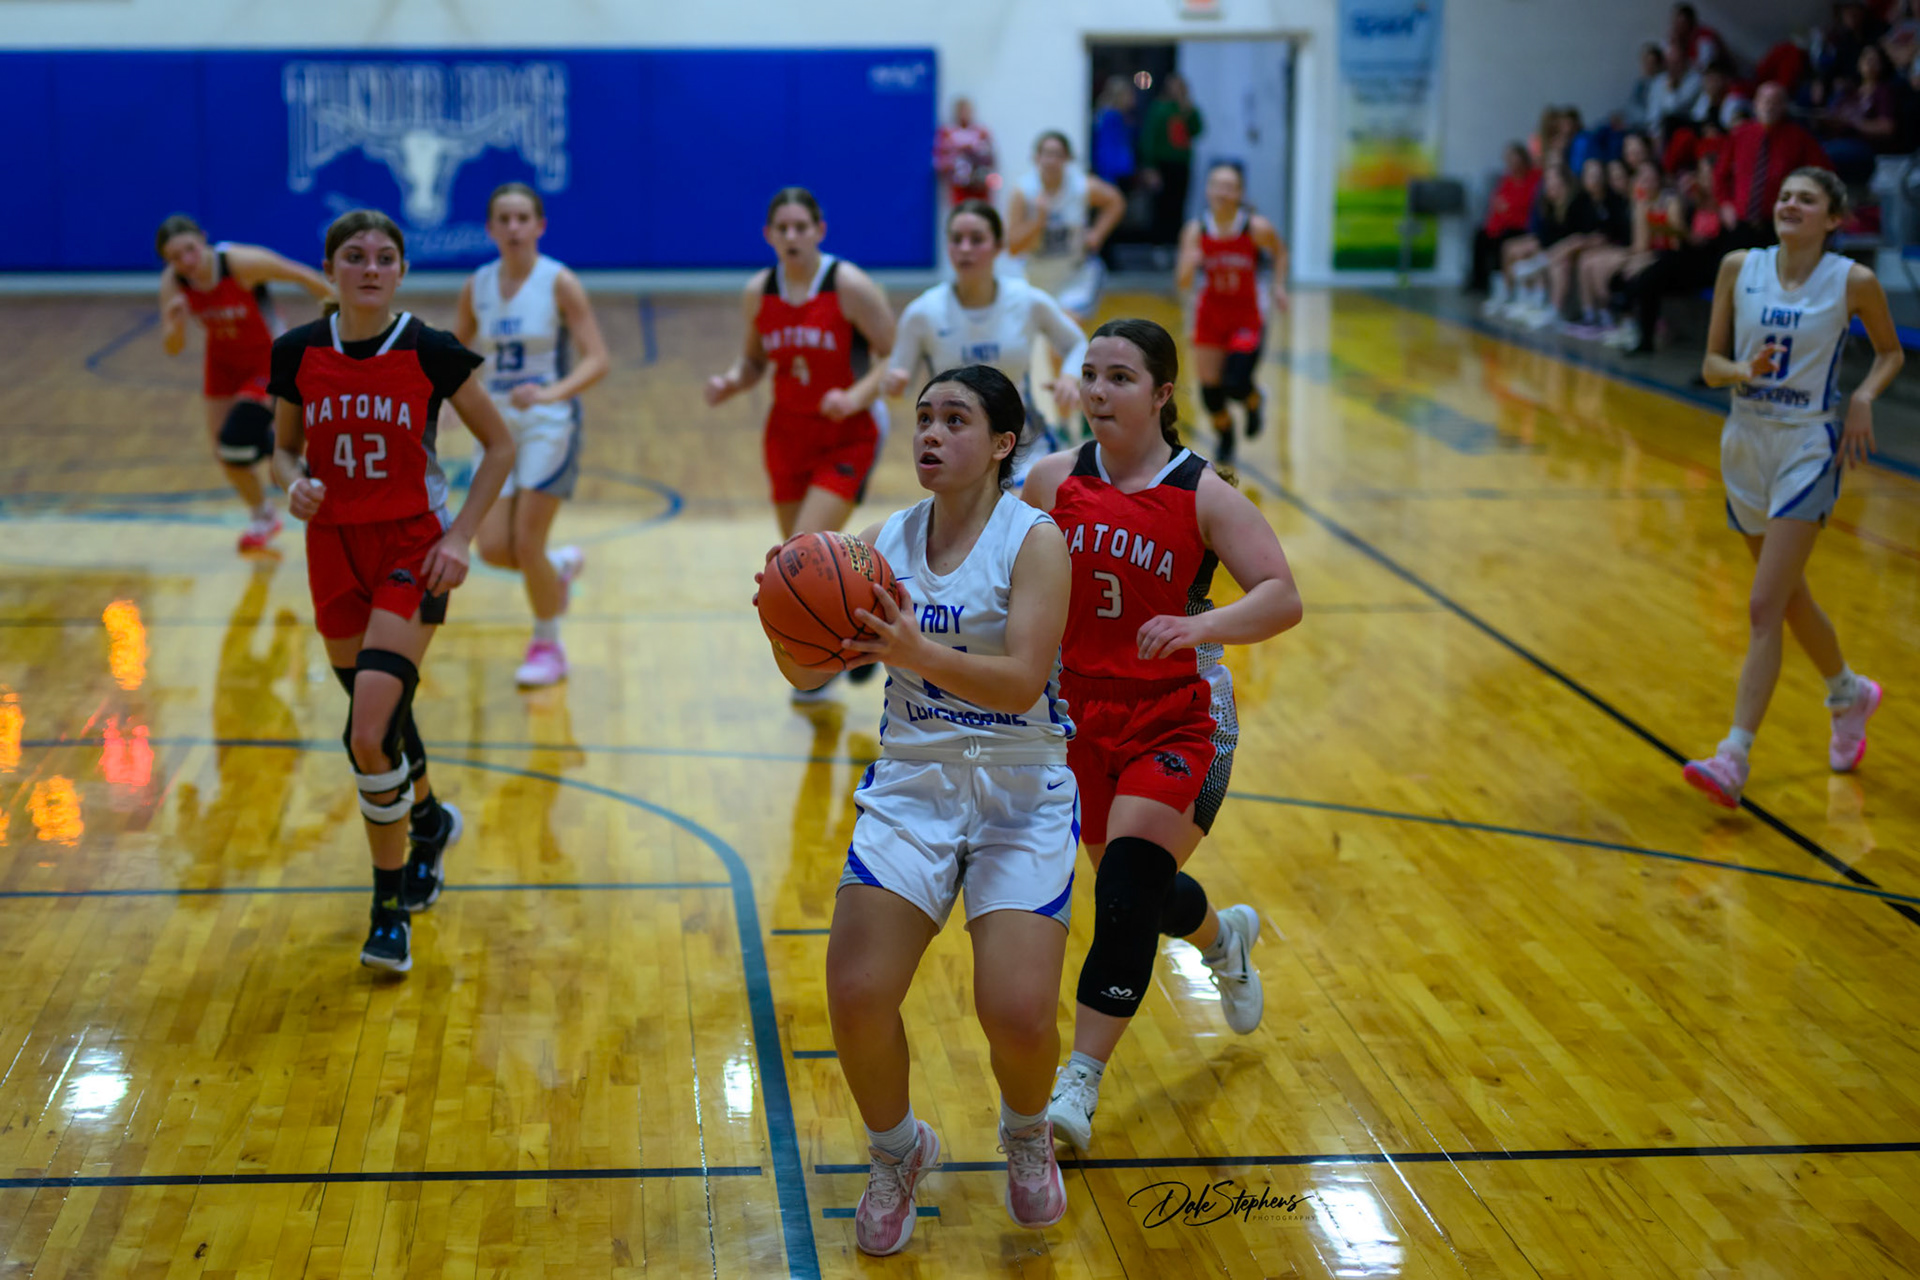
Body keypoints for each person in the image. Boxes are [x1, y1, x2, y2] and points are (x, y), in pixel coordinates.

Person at [759, 365, 1077, 1254]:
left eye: (955, 420)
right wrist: (785, 621)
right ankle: (898, 1151)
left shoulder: (1034, 540)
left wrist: (913, 650)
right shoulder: (878, 546)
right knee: (857, 993)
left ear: (1003, 443)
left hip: (1019, 787)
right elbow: (810, 671)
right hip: (914, 783)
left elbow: (1022, 684)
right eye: (924, 418)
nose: (931, 433)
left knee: (1016, 1012)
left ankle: (1025, 1131)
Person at [1022, 318, 1303, 1152]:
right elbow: (1000, 576)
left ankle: (1080, 1080)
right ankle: (1225, 937)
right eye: (1089, 375)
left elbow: (1281, 595)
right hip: (1081, 718)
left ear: (1162, 394)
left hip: (1178, 715)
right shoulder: (1050, 480)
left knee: (1126, 890)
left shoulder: (1202, 492)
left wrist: (1200, 625)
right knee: (1136, 893)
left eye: (1120, 377)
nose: (1098, 392)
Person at [267, 209, 516, 972]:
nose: (369, 268)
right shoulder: (298, 351)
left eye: (383, 257)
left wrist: (459, 536)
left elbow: (500, 445)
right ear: (330, 269)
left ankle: (388, 910)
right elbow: (282, 451)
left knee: (368, 731)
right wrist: (293, 483)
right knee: (383, 714)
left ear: (401, 271)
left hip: (412, 547)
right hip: (331, 548)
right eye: (354, 256)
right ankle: (430, 820)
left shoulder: (430, 350)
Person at [1681, 169, 1899, 807]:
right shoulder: (1738, 267)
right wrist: (1739, 369)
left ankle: (1733, 757)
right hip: (1745, 443)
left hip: (1808, 444)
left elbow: (1890, 352)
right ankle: (1848, 693)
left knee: (1761, 607)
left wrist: (1863, 397)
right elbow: (1709, 366)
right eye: (1784, 196)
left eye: (1807, 198)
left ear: (1833, 219)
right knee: (1789, 599)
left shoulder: (1852, 281)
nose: (1790, 204)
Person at [706, 188, 895, 699]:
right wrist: (731, 381)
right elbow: (753, 361)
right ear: (768, 235)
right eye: (782, 229)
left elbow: (893, 354)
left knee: (804, 554)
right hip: (786, 435)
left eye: (801, 227)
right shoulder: (759, 291)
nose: (791, 236)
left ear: (819, 231)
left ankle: (820, 669)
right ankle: (860, 639)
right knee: (804, 562)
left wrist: (854, 397)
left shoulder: (847, 285)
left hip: (847, 435)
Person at [455, 183, 610, 688]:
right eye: (504, 218)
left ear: (540, 225)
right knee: (493, 549)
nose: (514, 227)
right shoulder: (477, 285)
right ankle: (558, 567)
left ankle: (549, 644)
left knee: (526, 542)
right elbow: (454, 355)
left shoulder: (559, 282)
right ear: (490, 229)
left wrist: (549, 394)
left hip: (549, 423)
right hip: (495, 425)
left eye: (523, 217)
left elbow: (597, 359)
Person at [156, 216, 334, 552]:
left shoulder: (241, 263)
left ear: (203, 239)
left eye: (190, 250)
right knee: (225, 453)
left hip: (267, 357)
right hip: (221, 363)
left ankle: (286, 456)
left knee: (237, 433)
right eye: (176, 257)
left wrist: (344, 316)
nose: (186, 261)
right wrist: (176, 325)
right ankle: (263, 515)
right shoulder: (174, 282)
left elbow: (302, 275)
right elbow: (173, 348)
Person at [877, 201, 1087, 479]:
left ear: (998, 246)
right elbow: (897, 381)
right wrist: (893, 383)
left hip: (1023, 443)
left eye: (976, 239)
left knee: (1031, 499)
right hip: (954, 448)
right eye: (956, 239)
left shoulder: (1027, 300)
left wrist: (1070, 378)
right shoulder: (923, 312)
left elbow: (1077, 344)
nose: (965, 248)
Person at [1176, 162, 1289, 462]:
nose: (1222, 193)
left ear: (1240, 193)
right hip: (1211, 313)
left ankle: (1254, 400)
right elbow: (1182, 282)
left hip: (1246, 314)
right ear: (1207, 190)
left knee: (1236, 382)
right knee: (1210, 393)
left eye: (1229, 187)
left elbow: (1280, 252)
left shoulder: (1255, 228)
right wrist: (1190, 264)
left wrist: (1279, 286)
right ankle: (1226, 436)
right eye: (1217, 185)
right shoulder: (1196, 230)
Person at [1006, 132, 1126, 322]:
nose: (1052, 161)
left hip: (1074, 277)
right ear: (1037, 158)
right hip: (1036, 277)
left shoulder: (1081, 187)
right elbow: (1013, 247)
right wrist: (1038, 222)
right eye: (1047, 154)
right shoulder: (1023, 192)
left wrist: (1097, 234)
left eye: (1058, 155)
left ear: (1067, 158)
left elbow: (1115, 201)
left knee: (1067, 328)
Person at [1715, 82, 1833, 249]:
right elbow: (1721, 174)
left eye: (1775, 102)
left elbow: (1823, 175)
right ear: (1756, 104)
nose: (1769, 106)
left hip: (1780, 223)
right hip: (1740, 221)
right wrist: (1725, 204)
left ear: (1784, 106)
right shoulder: (1740, 134)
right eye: (1765, 101)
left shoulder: (1799, 138)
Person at [1474, 144, 1542, 304]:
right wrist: (1493, 226)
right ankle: (1480, 283)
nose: (1511, 163)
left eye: (1514, 159)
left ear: (1523, 159)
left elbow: (1526, 205)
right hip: (1504, 223)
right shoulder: (1506, 180)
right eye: (1508, 159)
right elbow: (1497, 204)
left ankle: (1504, 288)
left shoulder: (1534, 178)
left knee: (1505, 240)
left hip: (1521, 226)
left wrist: (1508, 208)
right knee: (1480, 236)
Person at [1141, 74, 1204, 245]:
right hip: (1163, 164)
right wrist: (1150, 166)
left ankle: (1177, 242)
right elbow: (1149, 137)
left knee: (1179, 203)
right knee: (1161, 205)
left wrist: (1187, 111)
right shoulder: (1159, 108)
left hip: (1181, 163)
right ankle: (1158, 243)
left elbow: (1198, 130)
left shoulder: (1188, 108)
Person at [934, 97, 996, 207]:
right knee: (960, 210)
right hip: (958, 185)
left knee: (981, 210)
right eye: (961, 110)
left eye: (967, 110)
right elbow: (941, 161)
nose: (964, 114)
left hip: (979, 184)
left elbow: (990, 158)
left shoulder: (981, 132)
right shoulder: (947, 133)